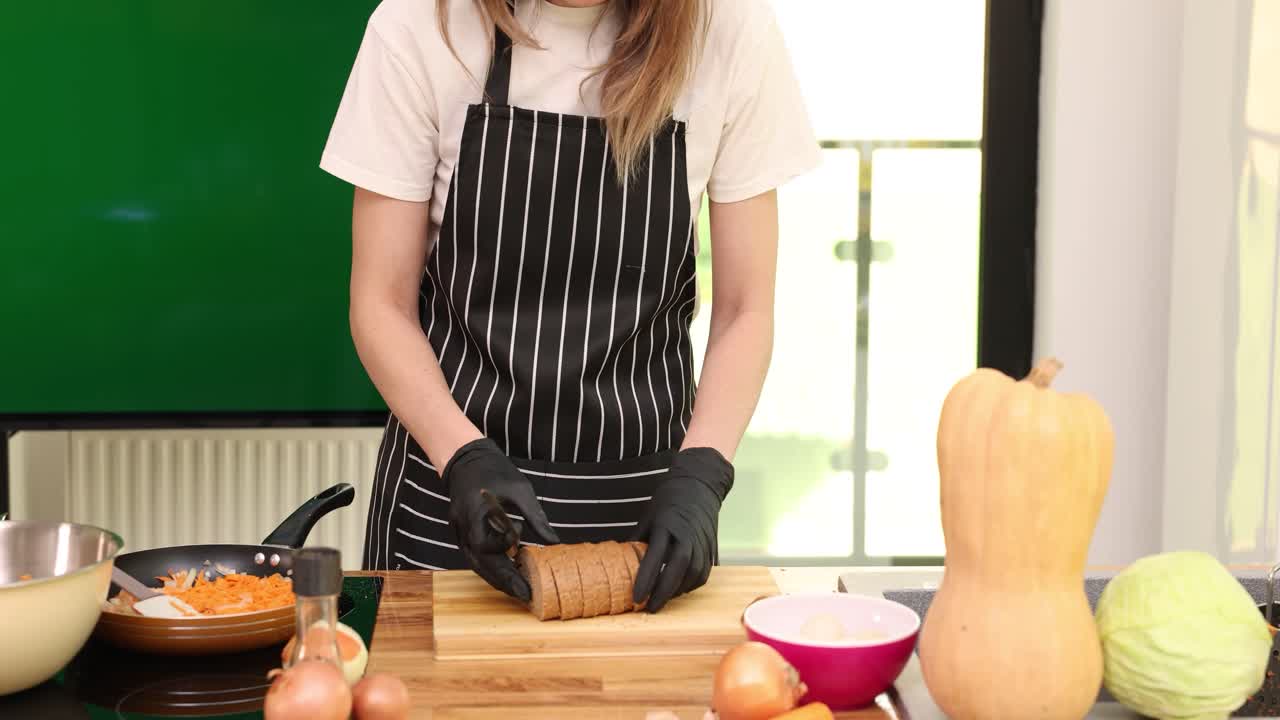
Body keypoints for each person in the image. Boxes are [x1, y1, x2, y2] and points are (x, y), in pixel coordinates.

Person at [320, 0, 819, 612]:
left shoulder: (729, 31)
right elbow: (379, 303)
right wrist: (463, 457)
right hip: (449, 499)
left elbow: (746, 307)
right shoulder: (422, 25)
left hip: (647, 516)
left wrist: (703, 473)